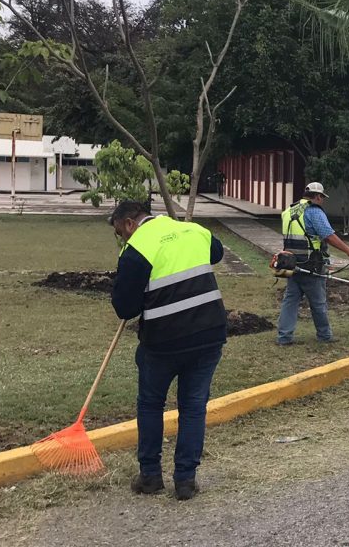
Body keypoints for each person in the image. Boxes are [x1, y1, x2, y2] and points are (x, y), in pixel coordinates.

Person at [109, 201, 227, 501]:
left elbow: (125, 308)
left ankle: (150, 476)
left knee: (151, 404)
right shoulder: (193, 230)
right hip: (209, 334)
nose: (122, 239)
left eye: (120, 233)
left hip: (164, 342)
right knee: (193, 406)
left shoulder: (136, 250)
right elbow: (217, 253)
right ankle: (185, 480)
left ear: (129, 224)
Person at [276, 181, 349, 345]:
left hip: (290, 263)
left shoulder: (289, 210)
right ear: (317, 196)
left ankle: (284, 337)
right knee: (318, 302)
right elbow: (328, 236)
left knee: (290, 301)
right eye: (322, 197)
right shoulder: (314, 211)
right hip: (311, 264)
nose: (322, 201)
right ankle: (324, 335)